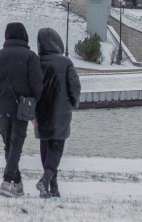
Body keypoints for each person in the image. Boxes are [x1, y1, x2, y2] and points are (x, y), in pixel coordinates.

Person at [0, 22, 43, 198]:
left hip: (2, 107)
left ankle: (18, 183)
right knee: (15, 145)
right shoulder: (30, 57)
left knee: (9, 146)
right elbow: (38, 85)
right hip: (22, 108)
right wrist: (32, 100)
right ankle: (7, 181)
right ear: (24, 36)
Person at [34, 28, 81, 198]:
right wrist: (74, 103)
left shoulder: (36, 62)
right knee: (56, 148)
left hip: (41, 111)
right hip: (61, 111)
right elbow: (74, 86)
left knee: (45, 147)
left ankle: (53, 186)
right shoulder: (66, 62)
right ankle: (46, 180)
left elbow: (32, 86)